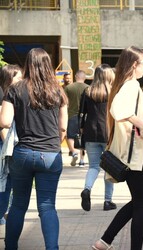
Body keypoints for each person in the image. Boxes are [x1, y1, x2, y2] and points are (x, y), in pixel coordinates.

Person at [0, 48, 68, 250]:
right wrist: (54, 142)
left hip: (23, 154)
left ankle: (11, 246)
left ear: (28, 64)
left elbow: (4, 122)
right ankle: (52, 248)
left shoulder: (15, 89)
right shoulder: (58, 91)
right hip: (50, 154)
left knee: (19, 204)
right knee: (47, 206)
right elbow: (63, 127)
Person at [92, 46, 143, 250]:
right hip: (134, 154)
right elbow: (118, 110)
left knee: (138, 202)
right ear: (135, 65)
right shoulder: (131, 85)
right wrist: (142, 125)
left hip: (131, 152)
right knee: (141, 204)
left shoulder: (125, 84)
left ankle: (105, 240)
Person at [79, 64, 117, 212]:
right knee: (109, 168)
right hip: (108, 134)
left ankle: (87, 189)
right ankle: (108, 201)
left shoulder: (87, 91)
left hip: (90, 133)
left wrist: (81, 131)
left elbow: (81, 114)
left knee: (93, 166)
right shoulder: (113, 92)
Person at [0, 64, 22, 226]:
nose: (21, 80)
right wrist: (10, 149)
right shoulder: (4, 95)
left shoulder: (14, 94)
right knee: (6, 184)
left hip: (8, 145)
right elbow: (3, 126)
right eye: (18, 77)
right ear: (9, 78)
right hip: (4, 146)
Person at [64, 70, 88, 167]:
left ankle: (74, 152)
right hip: (85, 116)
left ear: (75, 76)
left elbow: (64, 101)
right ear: (84, 78)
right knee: (82, 137)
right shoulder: (88, 88)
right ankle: (82, 160)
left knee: (70, 136)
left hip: (71, 114)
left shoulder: (69, 88)